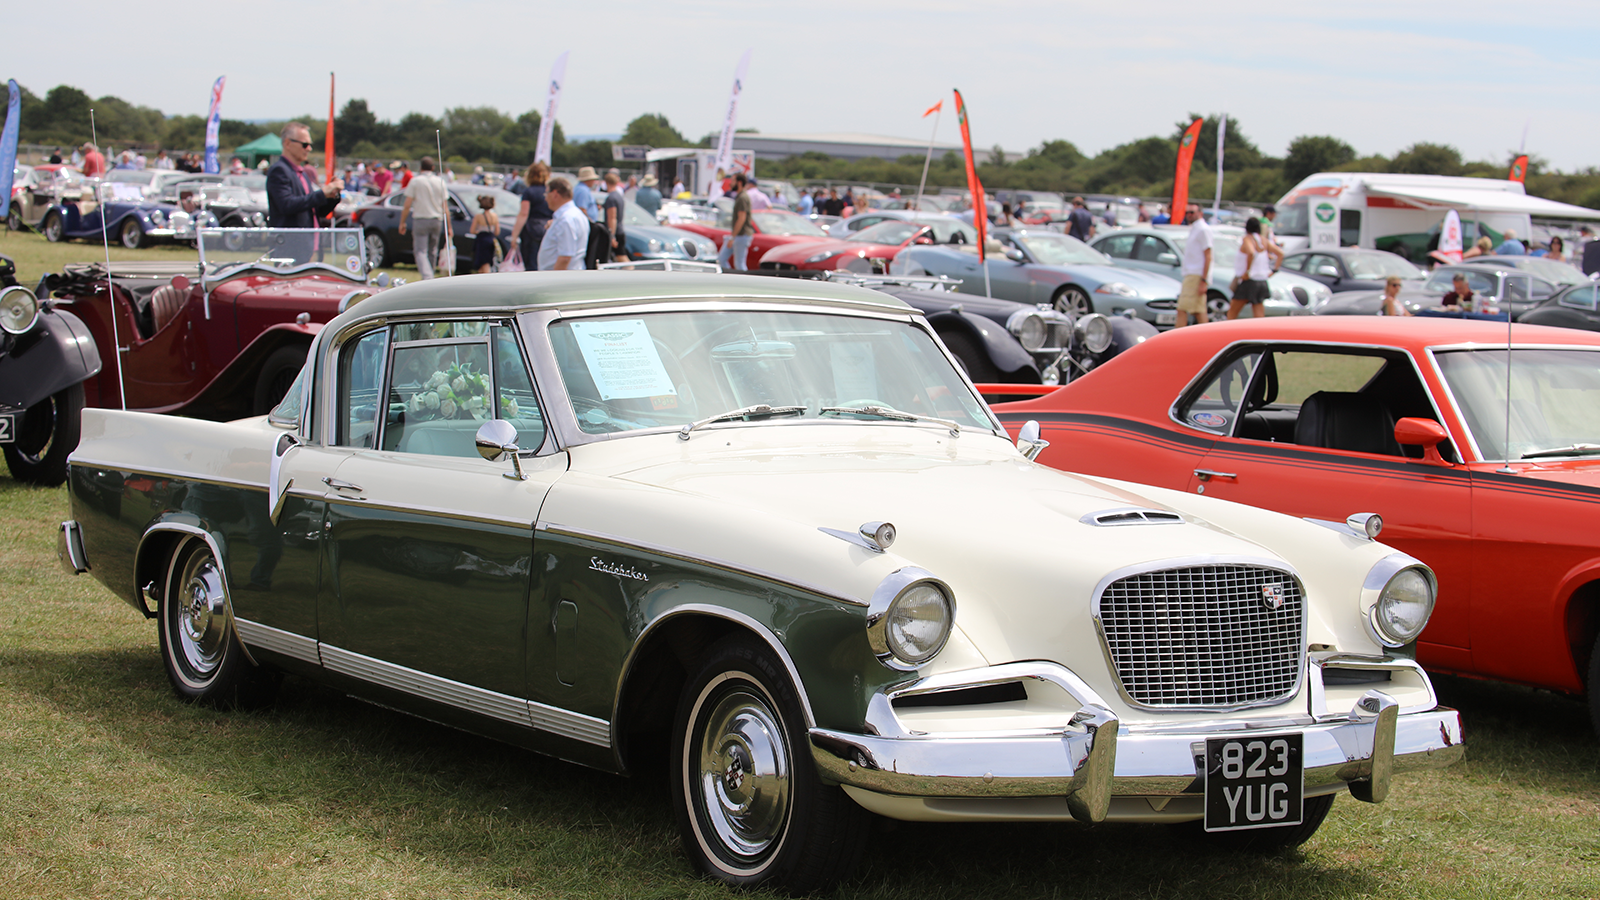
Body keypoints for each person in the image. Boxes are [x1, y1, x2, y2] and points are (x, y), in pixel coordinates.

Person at [266, 122, 343, 229]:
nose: (309, 149)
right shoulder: (279, 170)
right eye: (305, 145)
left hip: (308, 241)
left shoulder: (303, 174)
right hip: (290, 241)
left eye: (310, 145)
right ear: (288, 144)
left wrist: (331, 196)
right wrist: (322, 193)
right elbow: (287, 205)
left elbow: (314, 211)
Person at [397, 156, 448, 279]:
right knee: (432, 250)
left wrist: (402, 222)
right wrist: (449, 226)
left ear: (420, 168)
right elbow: (445, 206)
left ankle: (427, 276)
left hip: (421, 218)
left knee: (420, 251)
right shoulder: (440, 181)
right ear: (433, 167)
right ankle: (429, 275)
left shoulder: (416, 181)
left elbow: (407, 204)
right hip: (437, 219)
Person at [1227, 217, 1278, 319]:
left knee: (1232, 313)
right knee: (1258, 315)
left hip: (1249, 281)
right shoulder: (1264, 240)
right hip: (1262, 280)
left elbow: (1251, 252)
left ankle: (1225, 334)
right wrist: (1274, 270)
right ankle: (1261, 334)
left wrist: (1247, 271)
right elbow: (1280, 253)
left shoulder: (1247, 238)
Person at [538, 176, 588, 271]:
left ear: (555, 194)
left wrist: (554, 281)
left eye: (547, 193)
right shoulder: (573, 215)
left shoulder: (566, 219)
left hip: (561, 279)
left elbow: (565, 257)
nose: (545, 198)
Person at [509, 161, 553, 267]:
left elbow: (524, 214)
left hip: (532, 231)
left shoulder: (529, 192)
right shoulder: (550, 191)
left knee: (532, 262)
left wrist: (514, 235)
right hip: (549, 228)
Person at [1175, 203, 1212, 327]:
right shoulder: (1195, 228)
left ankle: (1176, 339)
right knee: (1197, 310)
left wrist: (1203, 280)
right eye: (1187, 212)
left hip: (1196, 274)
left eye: (1192, 212)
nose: (1189, 215)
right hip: (1192, 274)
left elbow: (1208, 255)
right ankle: (1208, 337)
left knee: (1183, 309)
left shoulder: (1203, 229)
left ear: (1200, 213)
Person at [717, 173, 755, 271]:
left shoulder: (743, 198)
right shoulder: (739, 196)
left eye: (733, 181)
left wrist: (733, 237)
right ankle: (729, 279)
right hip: (737, 235)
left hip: (741, 235)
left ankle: (744, 284)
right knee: (722, 259)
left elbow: (741, 218)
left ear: (739, 182)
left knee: (739, 265)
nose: (731, 183)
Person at [602, 171, 630, 263]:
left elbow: (612, 217)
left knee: (621, 257)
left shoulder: (611, 198)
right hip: (620, 229)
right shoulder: (618, 196)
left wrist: (612, 236)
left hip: (616, 231)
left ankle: (632, 273)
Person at [470, 194, 499, 274]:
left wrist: (478, 231)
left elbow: (472, 230)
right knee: (488, 260)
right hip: (490, 239)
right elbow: (497, 231)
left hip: (481, 240)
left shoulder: (478, 216)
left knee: (482, 262)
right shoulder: (495, 216)